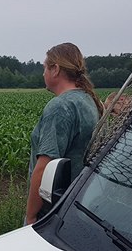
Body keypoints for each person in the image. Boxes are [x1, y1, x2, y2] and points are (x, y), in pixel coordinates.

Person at [25, 42, 102, 225]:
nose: (43, 73)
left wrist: (30, 215)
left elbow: (44, 167)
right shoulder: (88, 99)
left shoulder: (61, 107)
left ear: (55, 69)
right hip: (77, 202)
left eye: (45, 68)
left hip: (52, 210)